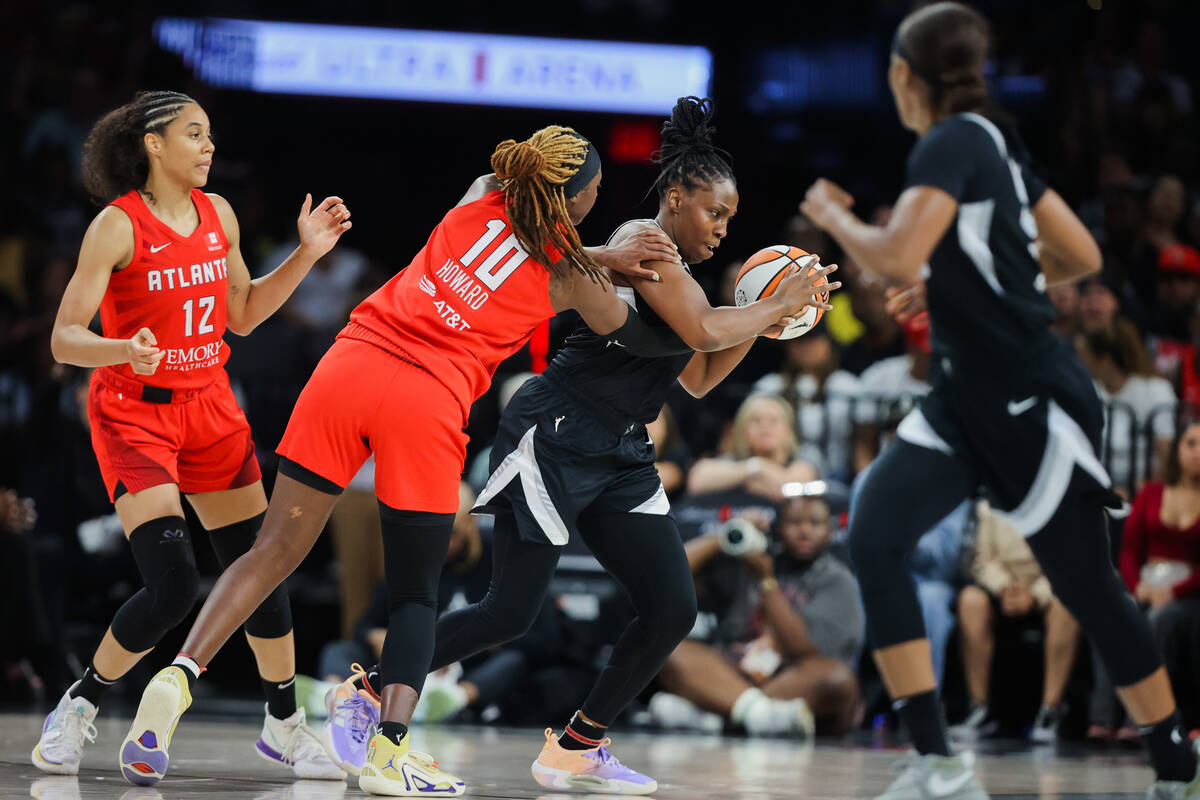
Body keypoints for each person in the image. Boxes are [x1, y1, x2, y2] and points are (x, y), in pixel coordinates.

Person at [120, 123, 750, 796]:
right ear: (576, 202)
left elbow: (530, 238)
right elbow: (655, 336)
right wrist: (631, 267)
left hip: (350, 365)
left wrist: (604, 252)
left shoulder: (480, 193)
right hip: (425, 400)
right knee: (419, 594)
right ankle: (389, 750)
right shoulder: (574, 279)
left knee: (270, 551)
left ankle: (178, 673)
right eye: (594, 192)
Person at [324, 96, 837, 795]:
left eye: (731, 219)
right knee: (511, 610)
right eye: (714, 212)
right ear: (677, 197)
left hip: (621, 453)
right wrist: (775, 303)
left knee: (670, 607)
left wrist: (767, 318)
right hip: (554, 435)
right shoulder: (645, 244)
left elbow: (702, 370)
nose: (722, 229)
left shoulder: (686, 279)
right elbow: (707, 330)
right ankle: (368, 690)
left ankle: (577, 745)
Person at [799, 4, 1200, 797]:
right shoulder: (991, 139)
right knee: (875, 533)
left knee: (1088, 586)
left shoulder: (951, 143)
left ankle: (1177, 766)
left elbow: (899, 249)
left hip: (1027, 397)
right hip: (963, 396)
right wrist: (956, 285)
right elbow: (1076, 251)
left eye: (891, 69)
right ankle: (937, 762)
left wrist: (833, 216)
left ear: (906, 75)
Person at [37, 90, 348, 782]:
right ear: (153, 143)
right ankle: (82, 702)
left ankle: (284, 724)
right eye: (194, 135)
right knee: (174, 584)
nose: (209, 148)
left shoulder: (220, 215)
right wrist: (122, 352)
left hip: (209, 406)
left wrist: (304, 255)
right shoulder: (117, 227)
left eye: (209, 136)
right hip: (134, 412)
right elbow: (63, 338)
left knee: (263, 571)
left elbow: (241, 314)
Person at [654, 494, 863, 736]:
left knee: (838, 679)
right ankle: (761, 716)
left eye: (814, 523)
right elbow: (669, 575)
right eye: (794, 523)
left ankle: (718, 712)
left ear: (830, 530)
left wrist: (767, 583)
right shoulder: (752, 555)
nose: (804, 531)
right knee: (670, 652)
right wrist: (726, 534)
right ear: (779, 528)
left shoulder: (838, 580)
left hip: (789, 678)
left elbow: (805, 652)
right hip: (732, 669)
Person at [950, 502, 1081, 744]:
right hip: (1003, 588)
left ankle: (1050, 711)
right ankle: (979, 708)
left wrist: (1035, 595)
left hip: (1048, 587)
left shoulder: (1061, 500)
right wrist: (1005, 589)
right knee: (970, 601)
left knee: (1067, 605)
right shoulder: (989, 505)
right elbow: (983, 561)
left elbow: (1068, 561)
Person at [1120, 422, 1200, 732]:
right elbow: (1128, 550)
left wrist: (1174, 592)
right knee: (1115, 615)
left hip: (1189, 593)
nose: (1197, 452)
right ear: (1177, 449)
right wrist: (1137, 586)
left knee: (1161, 620)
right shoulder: (1151, 493)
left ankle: (1146, 721)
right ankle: (1102, 717)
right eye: (1190, 443)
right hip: (1147, 582)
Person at [688, 393, 820, 502]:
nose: (765, 426)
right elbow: (697, 479)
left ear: (789, 431)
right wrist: (755, 467)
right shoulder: (737, 459)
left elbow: (790, 484)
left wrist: (745, 477)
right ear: (743, 430)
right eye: (756, 420)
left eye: (773, 421)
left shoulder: (803, 459)